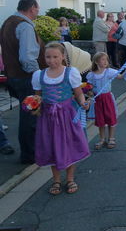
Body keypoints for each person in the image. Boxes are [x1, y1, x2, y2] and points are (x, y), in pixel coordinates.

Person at [32, 42, 90, 195]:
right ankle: (56, 180)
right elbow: (37, 97)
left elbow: (78, 93)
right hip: (48, 116)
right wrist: (33, 105)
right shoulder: (39, 75)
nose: (51, 60)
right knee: (52, 146)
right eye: (48, 57)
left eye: (55, 57)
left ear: (63, 56)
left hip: (68, 114)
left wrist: (84, 103)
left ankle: (70, 178)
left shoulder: (70, 73)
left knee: (70, 144)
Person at [0, 0, 46, 164]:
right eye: (37, 9)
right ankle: (30, 155)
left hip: (13, 76)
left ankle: (30, 152)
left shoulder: (7, 23)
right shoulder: (25, 26)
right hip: (26, 78)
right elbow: (27, 58)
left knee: (27, 115)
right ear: (32, 8)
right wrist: (38, 77)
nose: (37, 12)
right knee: (31, 117)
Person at [87, 52, 125, 150]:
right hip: (98, 100)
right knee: (100, 120)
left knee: (110, 118)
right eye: (103, 59)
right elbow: (89, 87)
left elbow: (120, 77)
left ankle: (111, 138)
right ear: (96, 61)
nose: (105, 61)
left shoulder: (109, 71)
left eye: (106, 59)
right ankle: (102, 138)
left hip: (107, 98)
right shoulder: (91, 74)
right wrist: (90, 92)